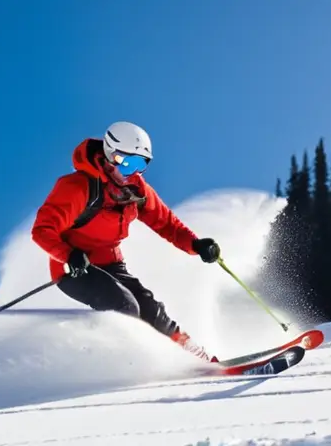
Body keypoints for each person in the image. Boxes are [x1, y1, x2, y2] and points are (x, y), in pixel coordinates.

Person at [31, 121, 221, 361]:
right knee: (124, 306)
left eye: (140, 164)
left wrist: (196, 245)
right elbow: (42, 230)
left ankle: (198, 360)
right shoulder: (77, 187)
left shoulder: (137, 192)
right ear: (110, 155)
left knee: (152, 310)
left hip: (111, 264)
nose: (132, 172)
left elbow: (166, 223)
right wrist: (68, 255)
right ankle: (128, 364)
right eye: (126, 162)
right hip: (75, 268)